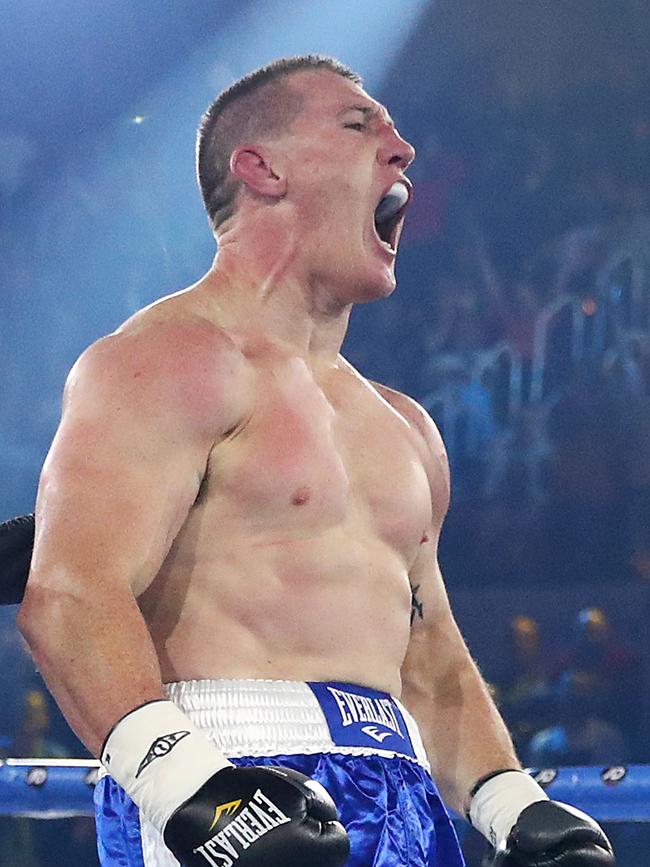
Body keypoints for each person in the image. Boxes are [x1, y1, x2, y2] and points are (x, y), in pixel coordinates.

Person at [13, 55, 614, 866]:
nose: (402, 150)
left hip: (403, 785)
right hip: (230, 767)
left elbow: (429, 645)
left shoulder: (406, 426)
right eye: (360, 124)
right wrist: (192, 789)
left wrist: (509, 799)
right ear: (262, 168)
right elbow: (69, 594)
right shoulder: (166, 359)